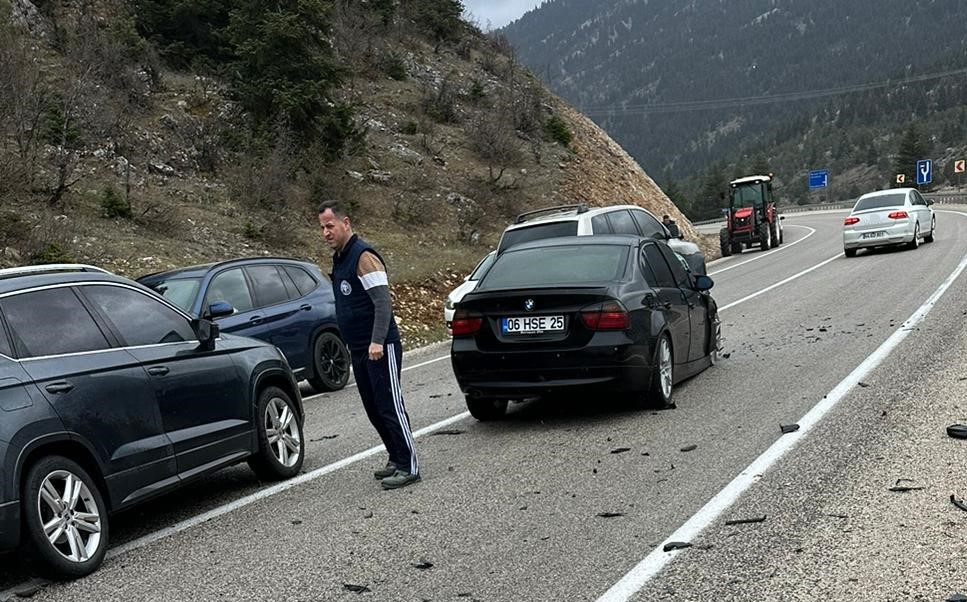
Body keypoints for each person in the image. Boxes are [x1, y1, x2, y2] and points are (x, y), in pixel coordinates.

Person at [318, 200, 420, 490]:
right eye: (322, 227)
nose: (326, 232)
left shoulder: (363, 256)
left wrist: (377, 340)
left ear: (345, 223)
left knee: (389, 405)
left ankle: (409, 464)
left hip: (380, 346)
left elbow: (382, 302)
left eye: (330, 225)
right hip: (359, 348)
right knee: (373, 408)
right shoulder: (340, 258)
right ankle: (395, 457)